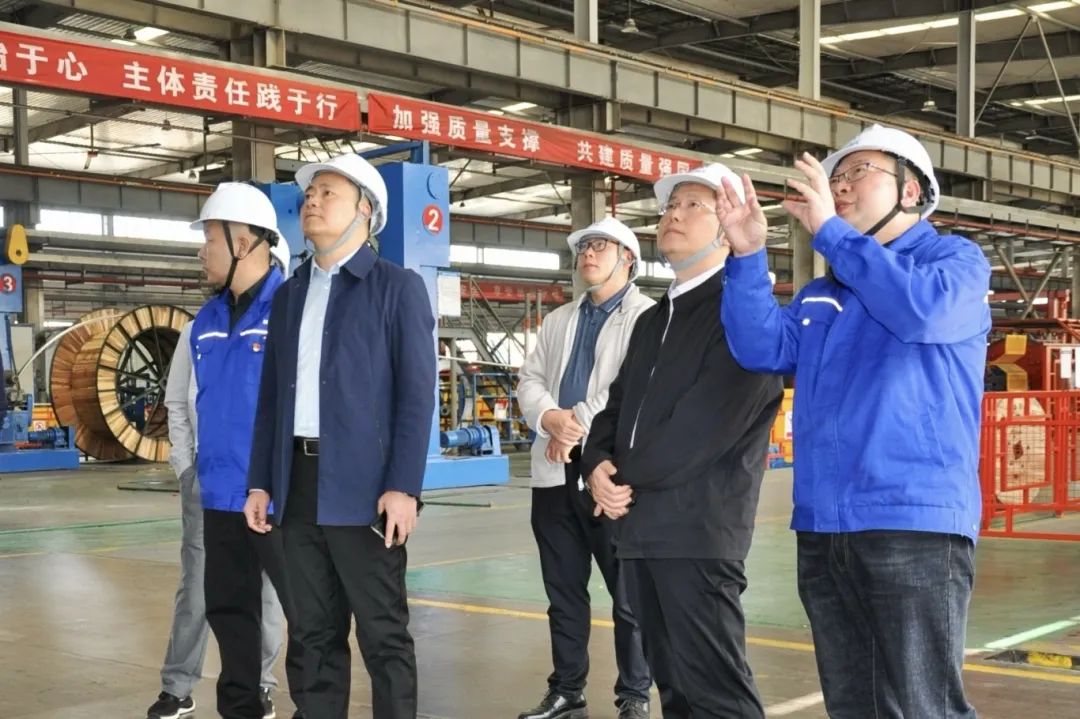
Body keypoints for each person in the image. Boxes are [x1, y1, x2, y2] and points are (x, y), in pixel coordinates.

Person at [717, 124, 989, 718]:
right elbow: (760, 346)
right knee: (855, 704)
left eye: (857, 173)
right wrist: (747, 255)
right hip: (825, 524)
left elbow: (922, 312)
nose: (839, 186)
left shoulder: (954, 263)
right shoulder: (823, 292)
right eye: (834, 177)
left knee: (925, 706)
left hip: (911, 520)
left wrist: (833, 235)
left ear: (911, 191)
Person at [582, 164, 783, 719]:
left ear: (728, 229)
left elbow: (702, 430)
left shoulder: (741, 313)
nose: (674, 215)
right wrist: (595, 464)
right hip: (641, 530)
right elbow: (615, 409)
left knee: (718, 696)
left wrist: (620, 479)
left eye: (694, 206)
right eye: (671, 206)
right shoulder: (653, 320)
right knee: (674, 691)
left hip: (698, 533)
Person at [244, 154, 436, 719]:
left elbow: (417, 396)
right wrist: (261, 481)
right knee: (313, 635)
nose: (313, 201)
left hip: (367, 489)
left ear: (365, 211)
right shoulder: (289, 296)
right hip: (298, 485)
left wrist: (404, 486)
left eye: (328, 192)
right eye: (310, 193)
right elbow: (271, 399)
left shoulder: (396, 288)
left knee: (383, 635)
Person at [517, 217, 654, 719]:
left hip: (609, 474)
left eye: (600, 246)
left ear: (628, 259)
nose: (588, 255)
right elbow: (530, 379)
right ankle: (567, 688)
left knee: (628, 594)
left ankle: (634, 696)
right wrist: (549, 418)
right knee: (563, 590)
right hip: (553, 475)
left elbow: (627, 389)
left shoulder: (647, 318)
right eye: (583, 248)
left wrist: (570, 427)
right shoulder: (559, 319)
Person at [149, 237, 290, 719]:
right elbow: (177, 400)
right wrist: (186, 467)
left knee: (267, 592)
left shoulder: (281, 319)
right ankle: (177, 686)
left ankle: (261, 684)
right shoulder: (199, 327)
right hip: (209, 483)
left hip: (267, 485)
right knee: (200, 588)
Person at [188, 182, 305, 719]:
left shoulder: (291, 309)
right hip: (219, 493)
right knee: (229, 612)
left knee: (307, 615)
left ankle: (313, 708)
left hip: (277, 494)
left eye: (210, 238)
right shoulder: (205, 322)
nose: (202, 251)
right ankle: (241, 710)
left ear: (243, 243)